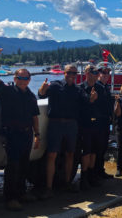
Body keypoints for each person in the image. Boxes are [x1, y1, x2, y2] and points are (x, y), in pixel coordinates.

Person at [0, 47, 40, 211]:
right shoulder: (8, 91)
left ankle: (22, 193)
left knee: (24, 165)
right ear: (15, 78)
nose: (23, 80)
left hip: (27, 134)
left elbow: (34, 116)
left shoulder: (31, 95)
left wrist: (37, 134)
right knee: (13, 166)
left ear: (29, 79)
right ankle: (11, 198)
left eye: (26, 77)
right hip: (12, 134)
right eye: (20, 77)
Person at [38, 64, 97, 198]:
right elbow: (41, 96)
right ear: (64, 73)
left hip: (71, 125)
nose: (71, 75)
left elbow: (87, 102)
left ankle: (67, 183)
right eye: (69, 72)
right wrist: (41, 90)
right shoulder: (54, 85)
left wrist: (92, 99)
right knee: (52, 155)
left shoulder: (78, 90)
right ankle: (48, 187)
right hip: (55, 124)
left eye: (74, 73)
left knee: (70, 154)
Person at [78, 65, 101, 190]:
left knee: (94, 151)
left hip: (97, 124)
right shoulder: (80, 88)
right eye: (92, 72)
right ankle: (84, 178)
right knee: (86, 152)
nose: (95, 74)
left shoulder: (100, 88)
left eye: (96, 72)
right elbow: (80, 106)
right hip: (85, 124)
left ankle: (92, 176)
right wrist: (90, 100)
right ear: (86, 73)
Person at [92, 66, 115, 180]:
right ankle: (95, 172)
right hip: (98, 121)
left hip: (106, 120)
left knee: (104, 146)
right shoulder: (96, 86)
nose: (106, 75)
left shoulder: (106, 87)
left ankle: (100, 170)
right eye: (104, 73)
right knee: (98, 147)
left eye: (108, 73)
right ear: (99, 74)